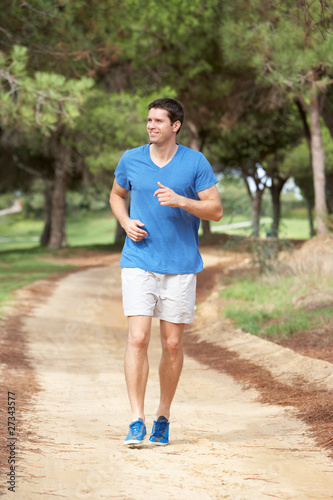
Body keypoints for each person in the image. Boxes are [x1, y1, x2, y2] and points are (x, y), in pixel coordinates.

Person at [110, 97, 223, 447]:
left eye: (159, 121)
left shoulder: (194, 162)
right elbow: (116, 195)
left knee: (172, 344)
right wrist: (126, 221)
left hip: (180, 265)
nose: (151, 125)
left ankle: (162, 416)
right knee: (138, 338)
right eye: (148, 120)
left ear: (175, 126)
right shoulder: (131, 159)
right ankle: (135, 419)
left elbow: (216, 210)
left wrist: (182, 201)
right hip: (139, 260)